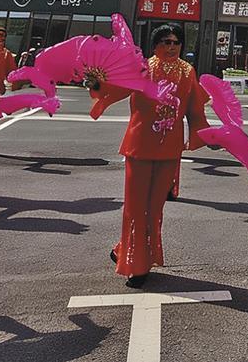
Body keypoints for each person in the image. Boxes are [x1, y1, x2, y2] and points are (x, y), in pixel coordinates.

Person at [87, 24, 210, 287]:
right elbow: (115, 87)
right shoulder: (142, 68)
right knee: (135, 208)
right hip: (139, 146)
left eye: (176, 42)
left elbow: (195, 109)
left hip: (169, 150)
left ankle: (128, 251)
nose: (171, 47)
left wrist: (207, 136)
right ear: (155, 45)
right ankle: (136, 266)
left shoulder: (188, 72)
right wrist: (97, 83)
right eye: (166, 42)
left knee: (154, 209)